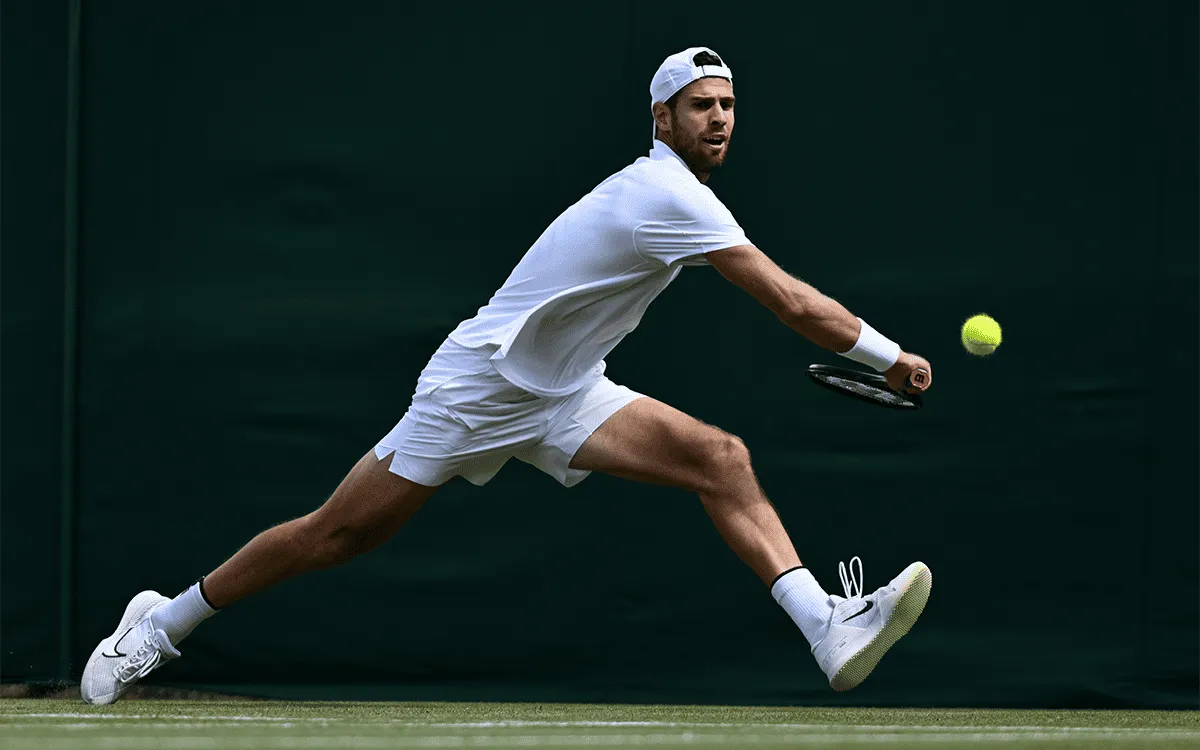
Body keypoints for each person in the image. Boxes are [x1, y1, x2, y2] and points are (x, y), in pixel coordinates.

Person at [81, 46, 933, 705]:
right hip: (478, 387)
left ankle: (824, 624)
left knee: (721, 459)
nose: (719, 119)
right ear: (663, 118)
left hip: (567, 391)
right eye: (700, 105)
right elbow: (791, 302)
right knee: (338, 535)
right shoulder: (668, 195)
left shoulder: (683, 196)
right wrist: (890, 358)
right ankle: (159, 623)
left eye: (729, 105)